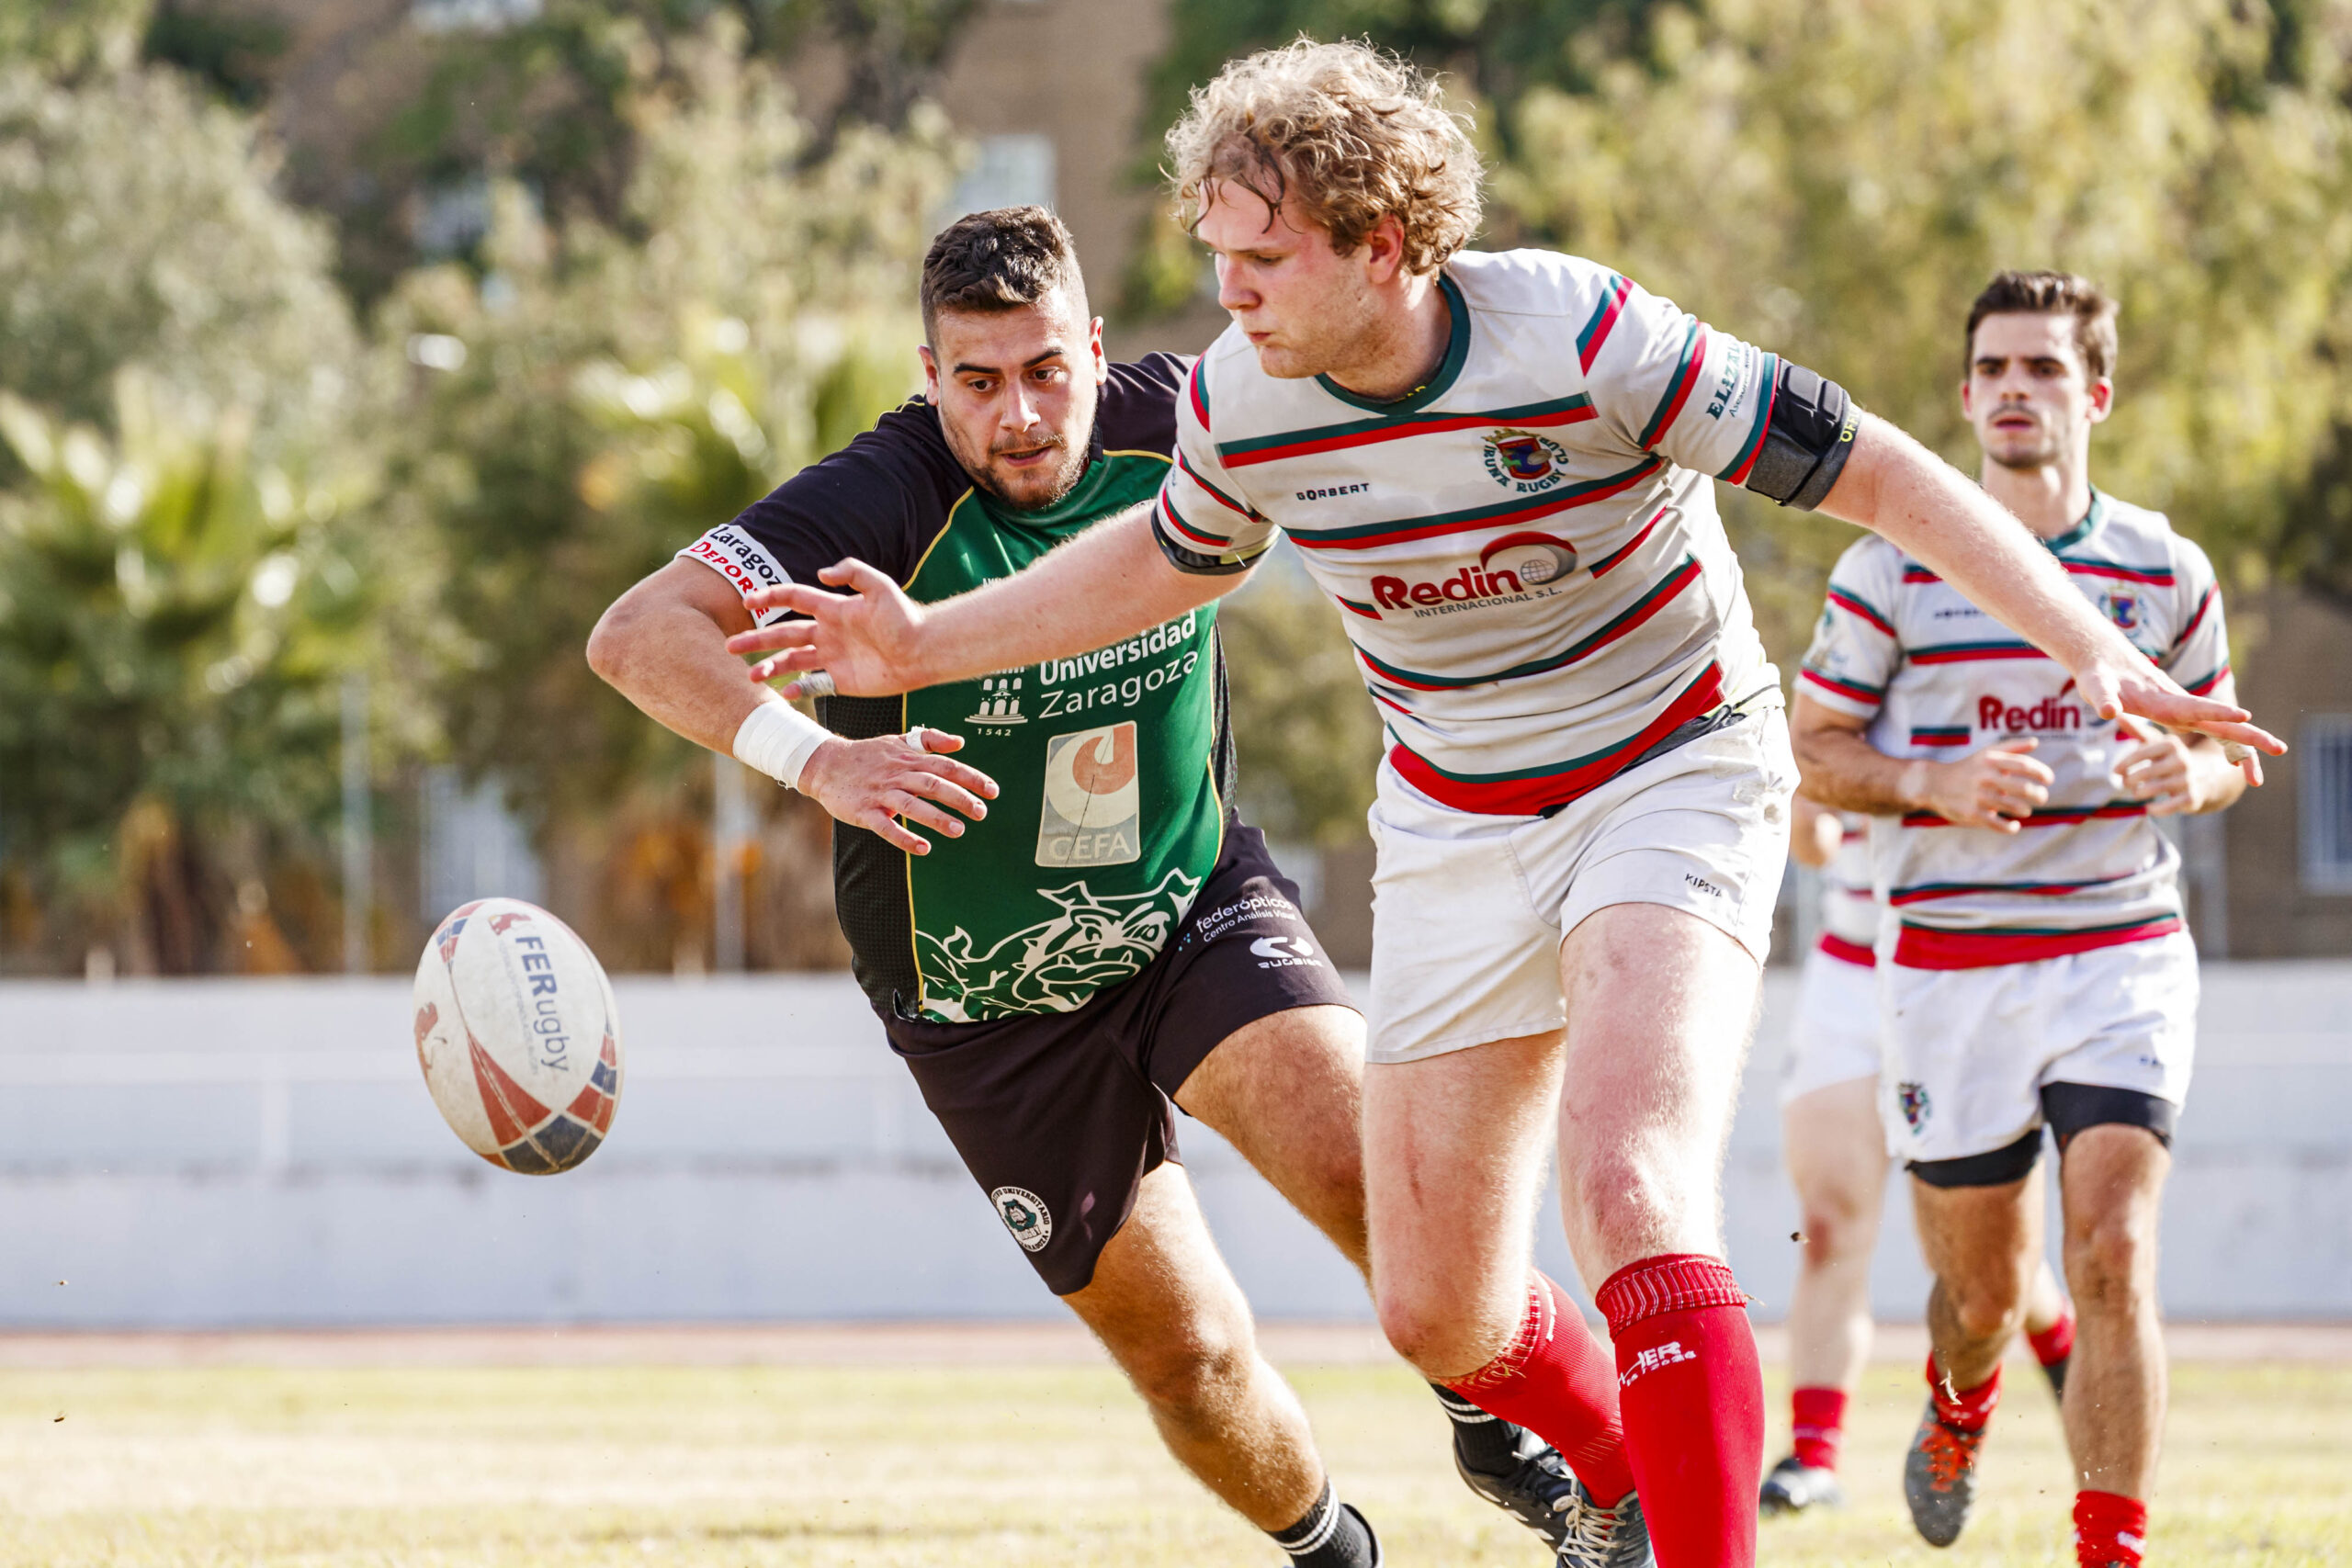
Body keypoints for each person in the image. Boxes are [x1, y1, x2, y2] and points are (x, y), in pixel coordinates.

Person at [727, 51, 2280, 1568]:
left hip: (1672, 766)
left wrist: (2088, 643)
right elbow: (1159, 563)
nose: (1227, 290)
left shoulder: (1587, 335)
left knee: (1628, 1184)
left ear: (1380, 243)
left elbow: (1881, 473)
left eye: (1261, 256)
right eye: (1217, 255)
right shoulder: (1242, 399)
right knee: (1435, 1308)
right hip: (1455, 815)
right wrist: (920, 648)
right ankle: (1619, 1482)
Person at [588, 207, 1589, 1568]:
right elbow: (636, 635)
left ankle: (1525, 1440)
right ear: (929, 375)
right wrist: (819, 761)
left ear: (1097, 349)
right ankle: (1336, 1555)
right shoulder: (874, 500)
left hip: (1189, 904)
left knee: (1382, 1179)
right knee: (1191, 1358)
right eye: (977, 380)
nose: (1017, 414)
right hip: (983, 1002)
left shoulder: (1189, 418)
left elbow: (1391, 380)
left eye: (1045, 370)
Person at [1790, 271, 2248, 1568]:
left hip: (2119, 947)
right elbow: (1812, 747)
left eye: (2041, 367)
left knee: (2112, 1246)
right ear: (1963, 394)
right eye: (1991, 368)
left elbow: (2227, 747)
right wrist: (1932, 783)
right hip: (1951, 968)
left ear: (2093, 394)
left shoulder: (2165, 568)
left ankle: (2112, 1546)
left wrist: (2191, 772)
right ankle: (1961, 1397)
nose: (2012, 390)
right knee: (1984, 1294)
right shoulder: (1892, 568)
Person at [1759, 795, 2074, 1517]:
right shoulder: (1840, 710)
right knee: (1826, 1225)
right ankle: (1813, 1456)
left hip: (1960, 966)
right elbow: (1815, 837)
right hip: (1851, 969)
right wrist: (1809, 820)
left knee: (1978, 1246)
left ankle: (2063, 1347)